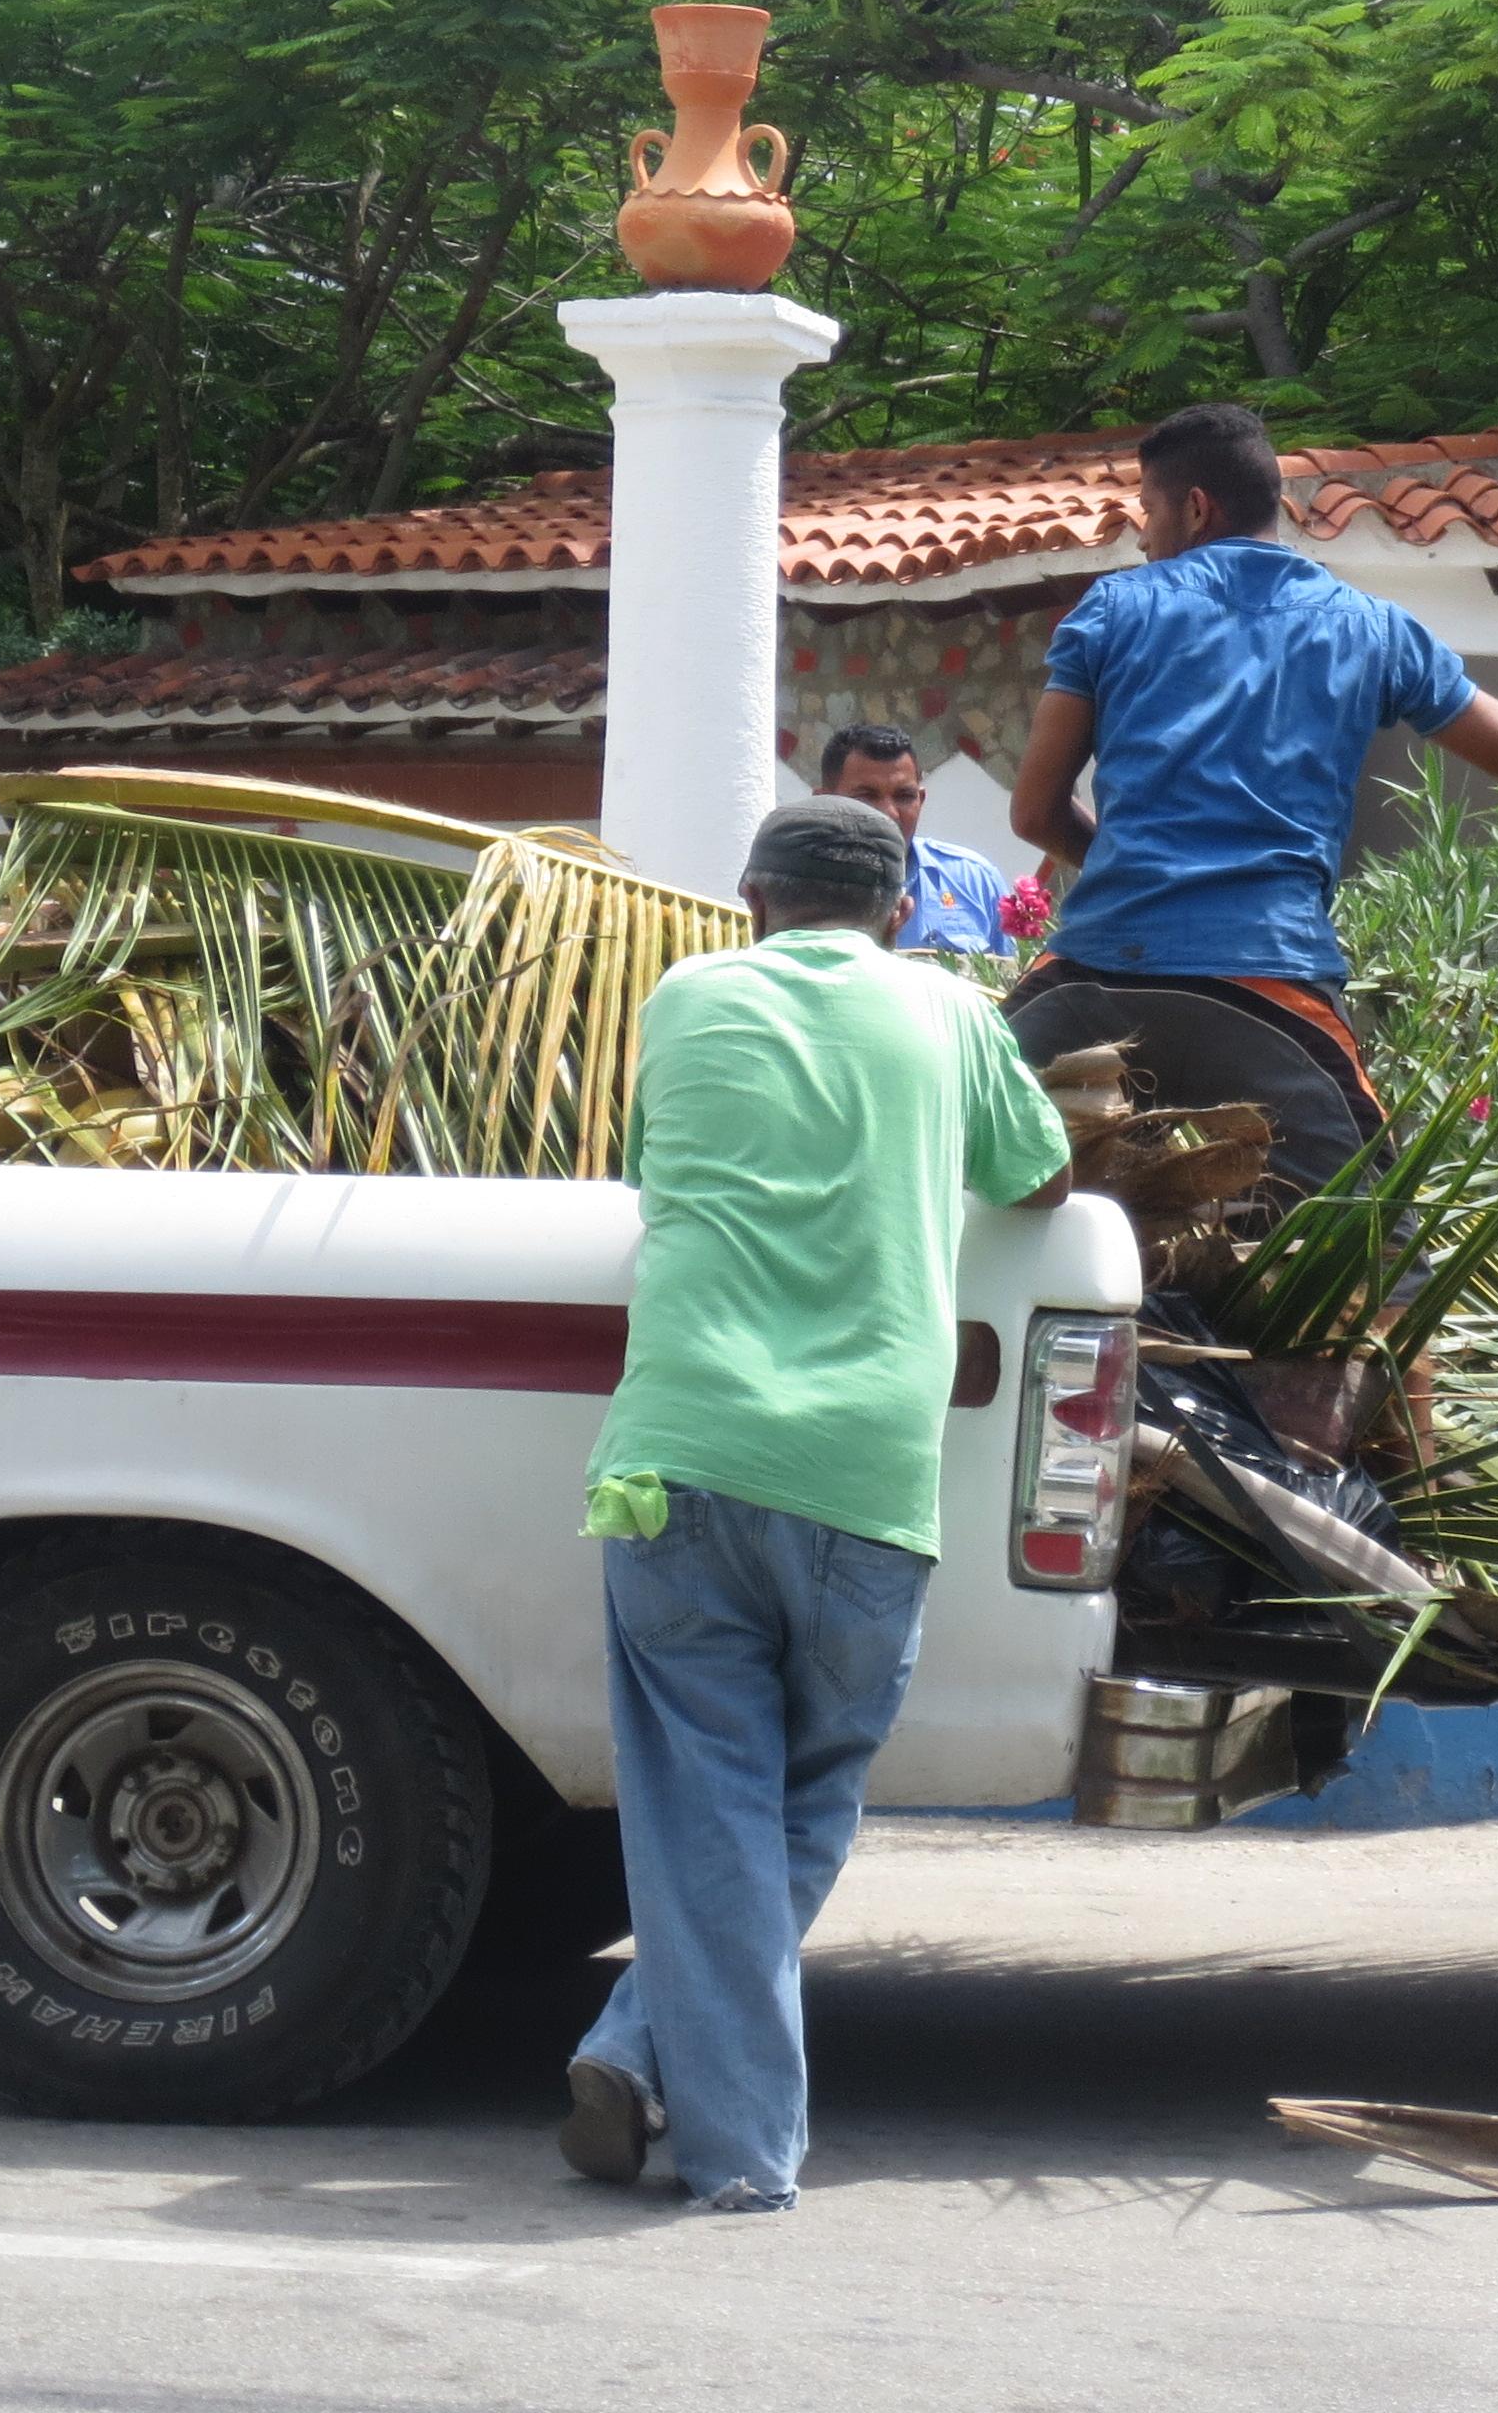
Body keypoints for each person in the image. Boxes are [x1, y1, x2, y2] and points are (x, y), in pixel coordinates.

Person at [558, 795, 1076, 2214]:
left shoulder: (683, 998)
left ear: (751, 903)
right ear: (901, 911)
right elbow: (1042, 1176)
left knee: (703, 1806)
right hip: (866, 1480)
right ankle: (723, 2144)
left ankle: (656, 2061)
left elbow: (644, 1168)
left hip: (683, 1460)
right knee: (804, 1799)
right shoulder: (952, 1013)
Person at [1001, 400, 1498, 1180]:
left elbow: (1035, 811)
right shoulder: (1373, 629)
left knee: (954, 1164)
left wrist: (1136, 872)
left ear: (1196, 508)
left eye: (1147, 511)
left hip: (1094, 981)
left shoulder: (1113, 608)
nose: (1143, 536)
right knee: (1364, 1252)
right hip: (1265, 986)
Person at [816, 722, 1018, 958]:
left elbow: (1011, 985)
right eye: (866, 796)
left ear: (921, 799)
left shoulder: (974, 880)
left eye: (904, 796)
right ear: (823, 803)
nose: (890, 813)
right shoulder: (794, 889)